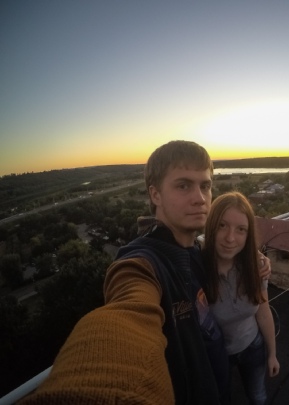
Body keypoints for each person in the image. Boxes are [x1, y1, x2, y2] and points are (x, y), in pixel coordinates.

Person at [20, 140, 270, 404]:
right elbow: (128, 313)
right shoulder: (144, 262)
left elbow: (223, 250)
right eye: (183, 185)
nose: (199, 198)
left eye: (205, 186)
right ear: (155, 194)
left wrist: (255, 258)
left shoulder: (193, 252)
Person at [202, 192, 280, 405]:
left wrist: (272, 354)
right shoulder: (198, 268)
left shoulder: (255, 266)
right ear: (211, 226)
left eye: (241, 229)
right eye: (222, 225)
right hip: (218, 355)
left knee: (258, 396)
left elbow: (263, 312)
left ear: (248, 234)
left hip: (252, 345)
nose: (230, 238)